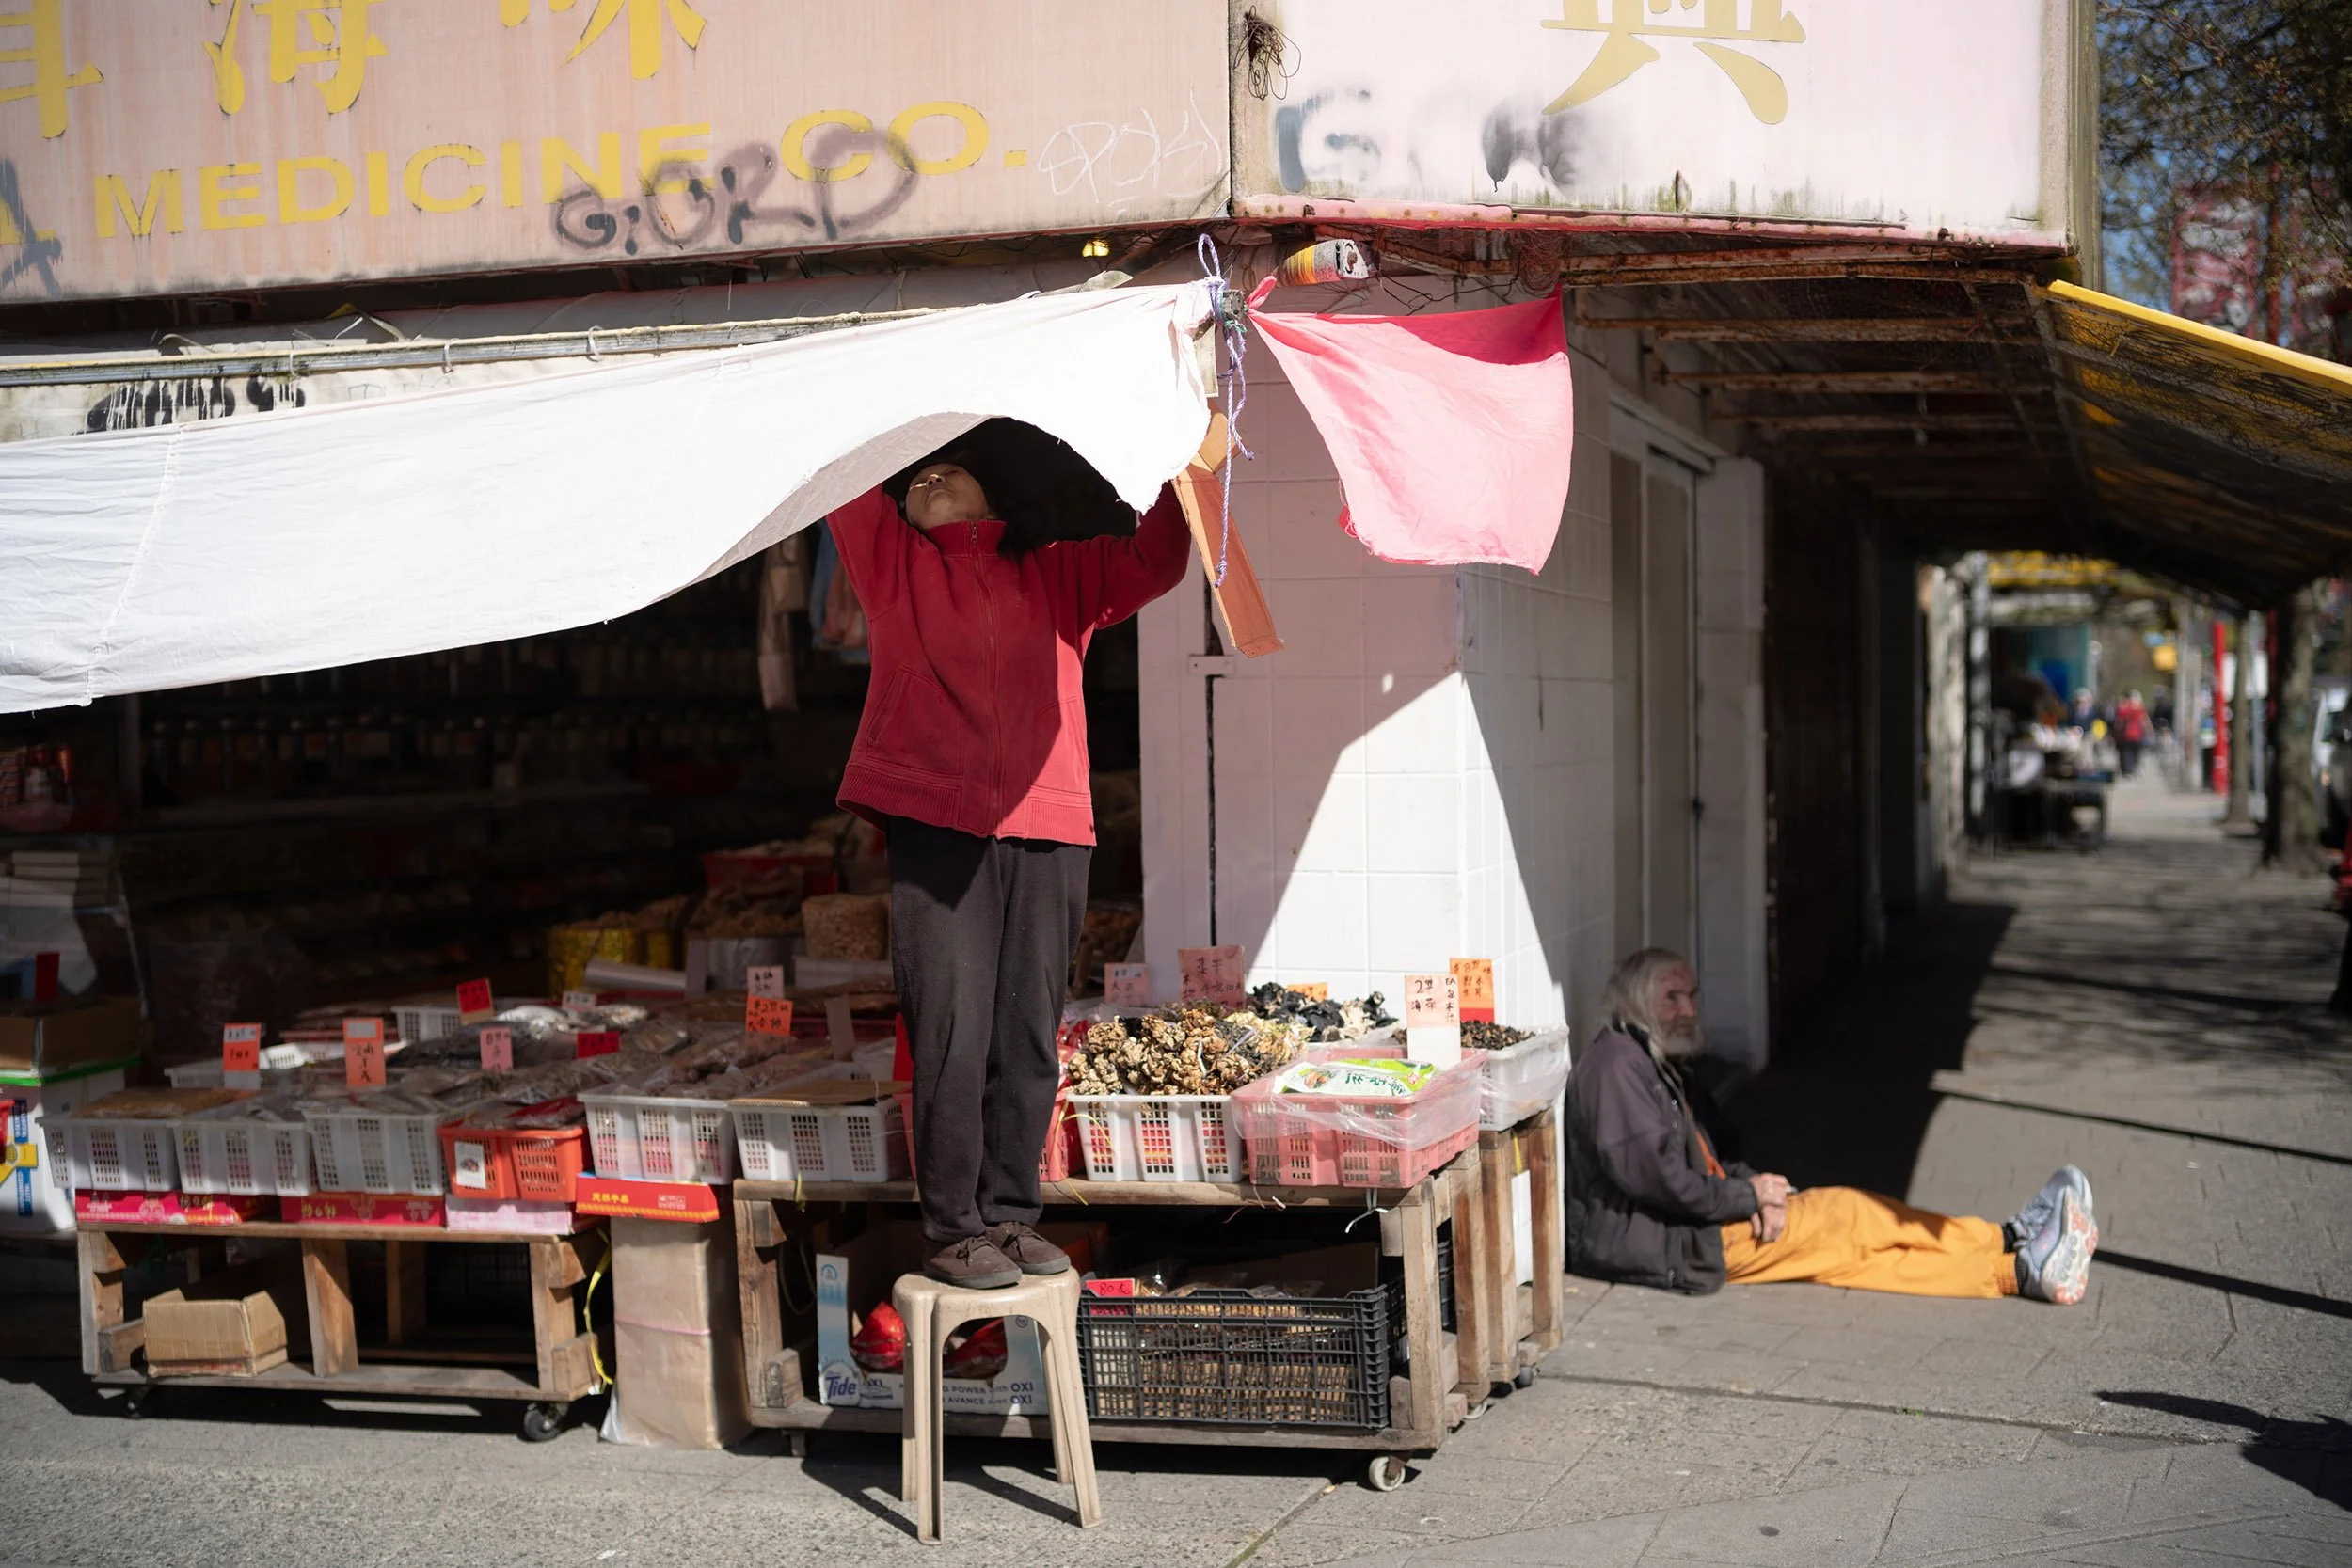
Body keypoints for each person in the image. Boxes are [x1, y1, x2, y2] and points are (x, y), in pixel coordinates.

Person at [829, 442, 1191, 1288]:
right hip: (936, 819)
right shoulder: (894, 566)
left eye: (950, 467)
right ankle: (953, 1226)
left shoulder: (1060, 573)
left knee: (1027, 1031)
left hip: (1049, 819)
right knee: (950, 1029)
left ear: (996, 494)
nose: (928, 478)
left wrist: (1175, 455)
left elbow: (1161, 558)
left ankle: (1010, 1214)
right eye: (916, 476)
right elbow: (842, 477)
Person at [1564, 949, 2097, 1304]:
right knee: (1850, 1228)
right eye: (1672, 998)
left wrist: (1761, 1190)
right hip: (1669, 1242)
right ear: (1637, 1002)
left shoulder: (1657, 1059)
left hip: (1698, 1221)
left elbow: (1719, 1146)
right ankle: (2014, 1260)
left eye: (1692, 995)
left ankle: (2011, 1251)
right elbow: (1654, 1179)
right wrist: (1748, 1198)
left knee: (1851, 1236)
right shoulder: (1617, 1068)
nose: (1688, 1009)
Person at [2114, 689, 2149, 778]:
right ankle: (2133, 768)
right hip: (2136, 735)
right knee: (2135, 753)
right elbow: (2144, 721)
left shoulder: (2124, 708)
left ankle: (2128, 770)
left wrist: (2117, 732)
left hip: (2127, 735)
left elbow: (2119, 723)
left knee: (2127, 753)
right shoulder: (2139, 708)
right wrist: (2149, 731)